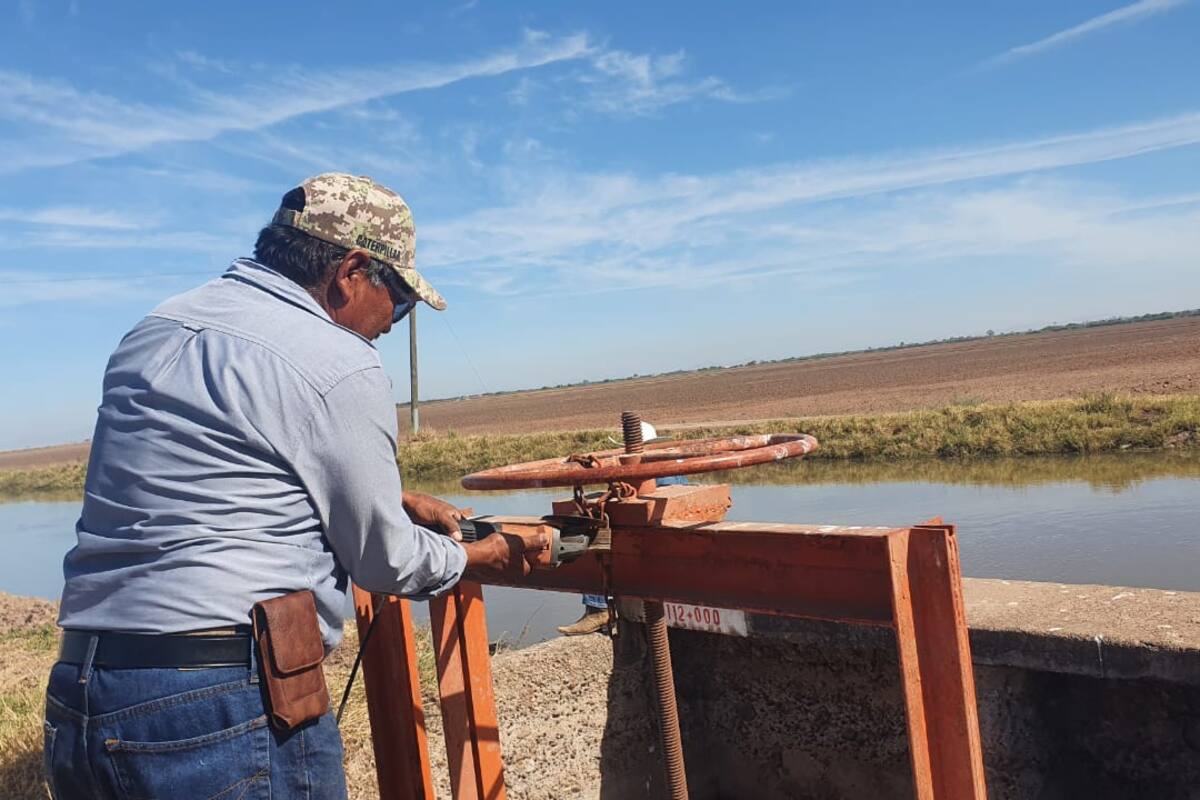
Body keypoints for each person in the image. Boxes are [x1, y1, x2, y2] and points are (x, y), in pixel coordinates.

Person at [42, 173, 547, 800]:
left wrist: (391, 500)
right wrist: (481, 554)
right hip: (218, 708)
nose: (393, 321)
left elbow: (222, 477)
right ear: (352, 270)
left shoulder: (157, 327)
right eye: (400, 298)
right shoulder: (336, 360)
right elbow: (386, 561)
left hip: (82, 693)